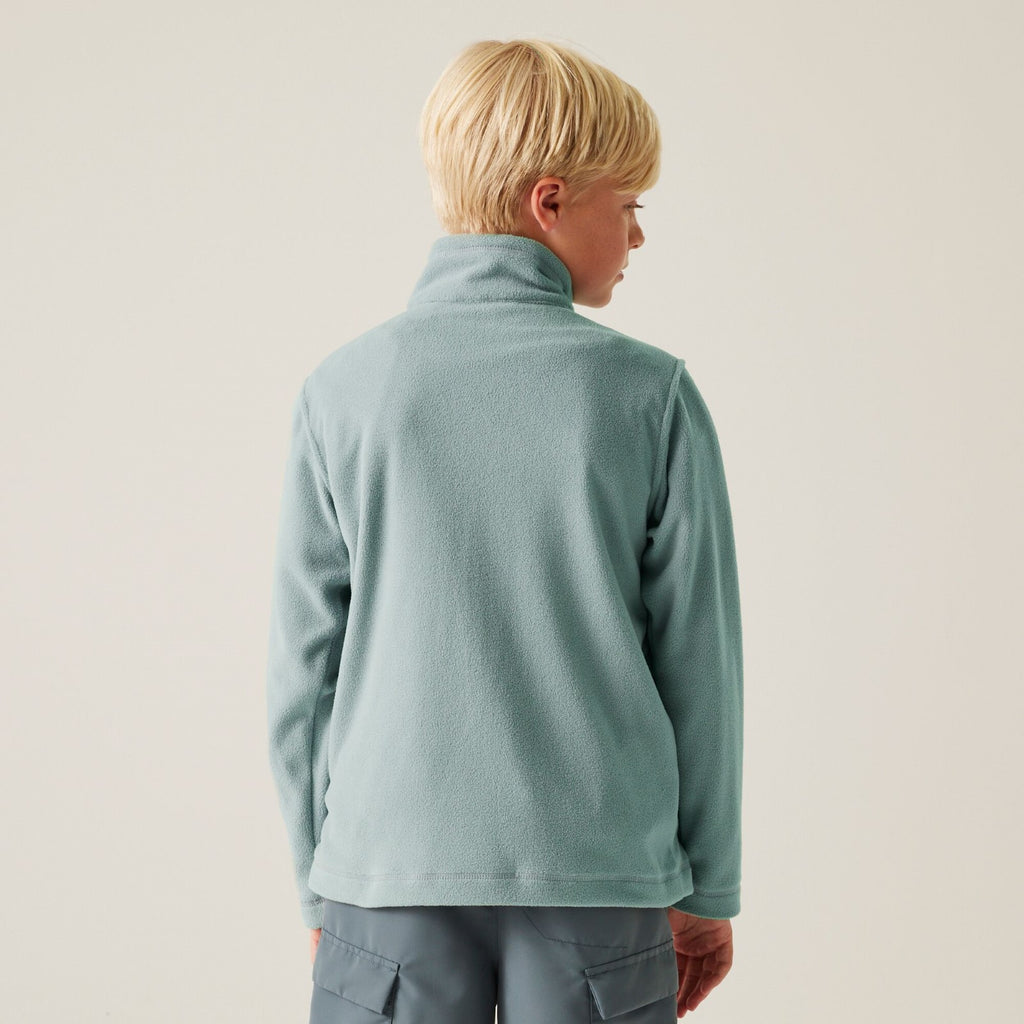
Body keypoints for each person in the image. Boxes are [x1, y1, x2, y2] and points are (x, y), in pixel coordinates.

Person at [265, 37, 744, 1022]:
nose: (637, 236)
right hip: (599, 879)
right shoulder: (649, 394)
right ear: (549, 201)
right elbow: (700, 663)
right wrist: (707, 887)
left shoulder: (344, 391)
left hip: (386, 878)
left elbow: (302, 673)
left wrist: (322, 880)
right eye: (630, 205)